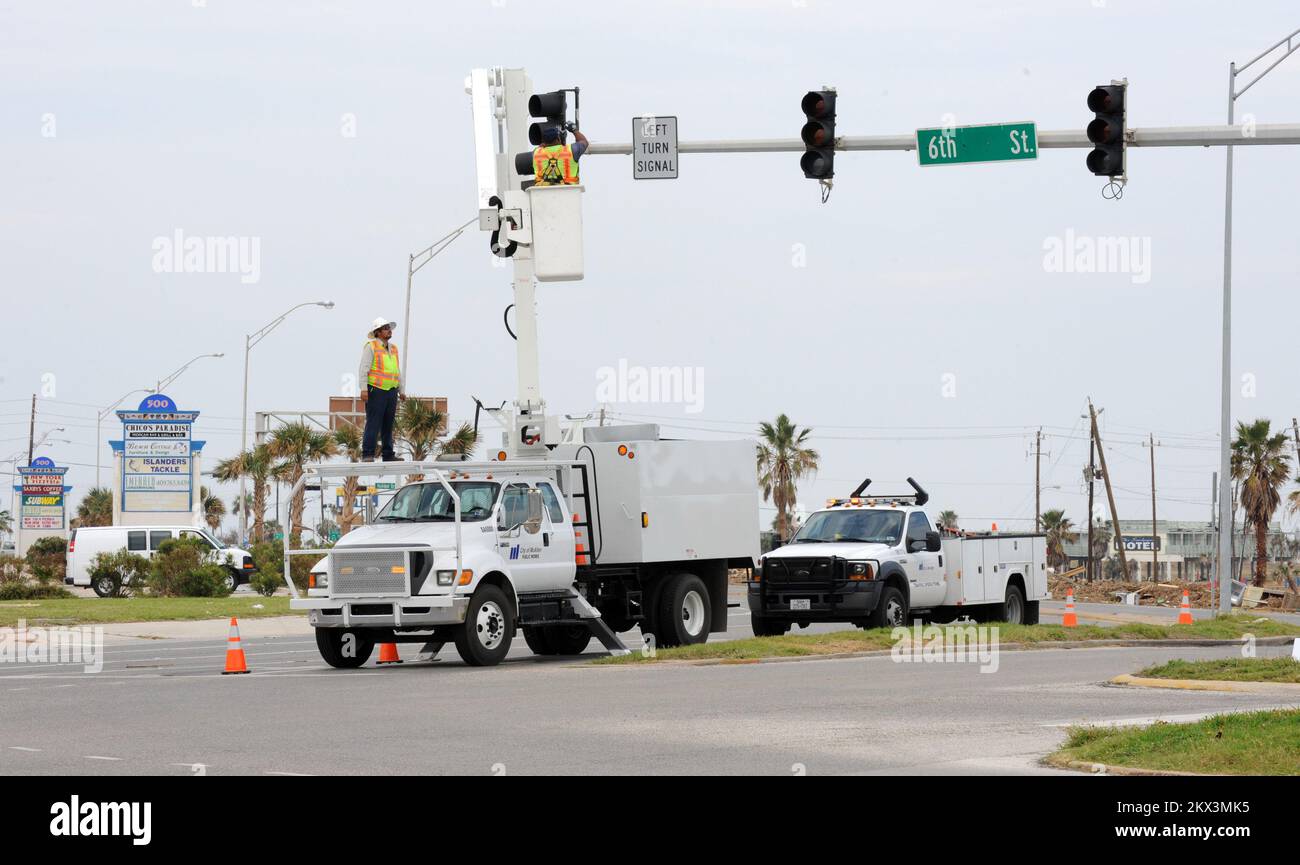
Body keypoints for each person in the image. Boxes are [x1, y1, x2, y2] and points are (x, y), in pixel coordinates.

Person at [358, 317, 406, 461]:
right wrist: (363, 389)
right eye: (385, 328)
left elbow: (397, 371)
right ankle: (367, 453)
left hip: (391, 390)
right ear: (377, 332)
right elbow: (363, 369)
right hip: (376, 390)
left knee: (388, 424)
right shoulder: (371, 346)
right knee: (373, 422)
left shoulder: (394, 348)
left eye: (389, 328)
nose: (389, 330)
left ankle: (388, 454)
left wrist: (401, 390)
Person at [532, 122, 589, 186]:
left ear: (543, 141)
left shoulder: (536, 153)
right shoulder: (571, 150)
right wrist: (574, 130)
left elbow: (540, 147)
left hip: (543, 191)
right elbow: (584, 142)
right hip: (568, 190)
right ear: (558, 139)